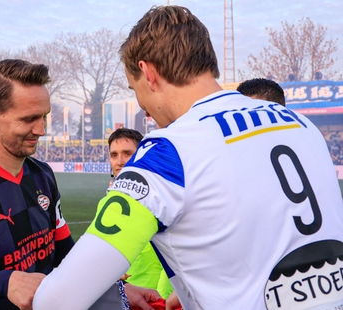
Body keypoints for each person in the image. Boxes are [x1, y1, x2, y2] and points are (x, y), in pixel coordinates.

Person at [33, 5, 343, 310]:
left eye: (134, 88)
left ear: (149, 73)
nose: (141, 106)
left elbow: (56, 300)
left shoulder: (166, 153)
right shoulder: (301, 125)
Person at [0, 59, 159, 310]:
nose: (41, 129)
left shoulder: (43, 175)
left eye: (44, 116)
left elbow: (65, 258)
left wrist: (117, 289)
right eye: (29, 119)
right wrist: (3, 284)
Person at [108, 128, 173, 299]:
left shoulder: (157, 201)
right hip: (123, 297)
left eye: (127, 153)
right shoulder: (110, 200)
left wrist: (161, 298)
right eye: (114, 155)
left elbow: (173, 258)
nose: (120, 161)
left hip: (152, 299)